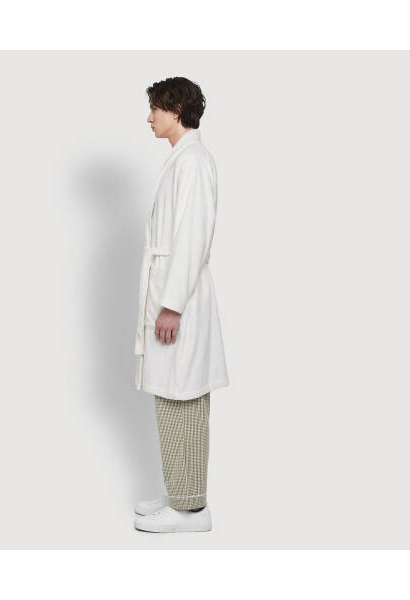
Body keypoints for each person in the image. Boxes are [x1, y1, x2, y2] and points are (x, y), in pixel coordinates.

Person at [133, 77, 229, 533]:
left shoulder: (194, 162)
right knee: (171, 394)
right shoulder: (182, 159)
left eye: (155, 109)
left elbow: (192, 236)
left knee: (184, 396)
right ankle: (180, 492)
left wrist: (171, 305)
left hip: (181, 299)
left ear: (175, 110)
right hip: (172, 291)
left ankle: (191, 510)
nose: (149, 117)